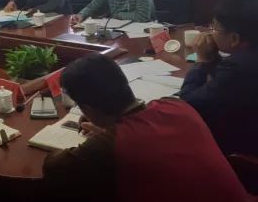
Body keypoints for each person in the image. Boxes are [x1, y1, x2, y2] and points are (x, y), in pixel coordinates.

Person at [42, 54, 251, 202]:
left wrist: (104, 139)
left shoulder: (111, 145)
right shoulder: (175, 105)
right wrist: (107, 133)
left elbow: (54, 168)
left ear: (87, 108)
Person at [179, 0, 258, 156]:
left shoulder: (237, 67)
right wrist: (211, 60)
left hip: (241, 149)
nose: (210, 32)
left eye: (214, 28)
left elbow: (188, 103)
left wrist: (201, 61)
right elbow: (225, 83)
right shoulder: (244, 59)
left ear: (235, 38)